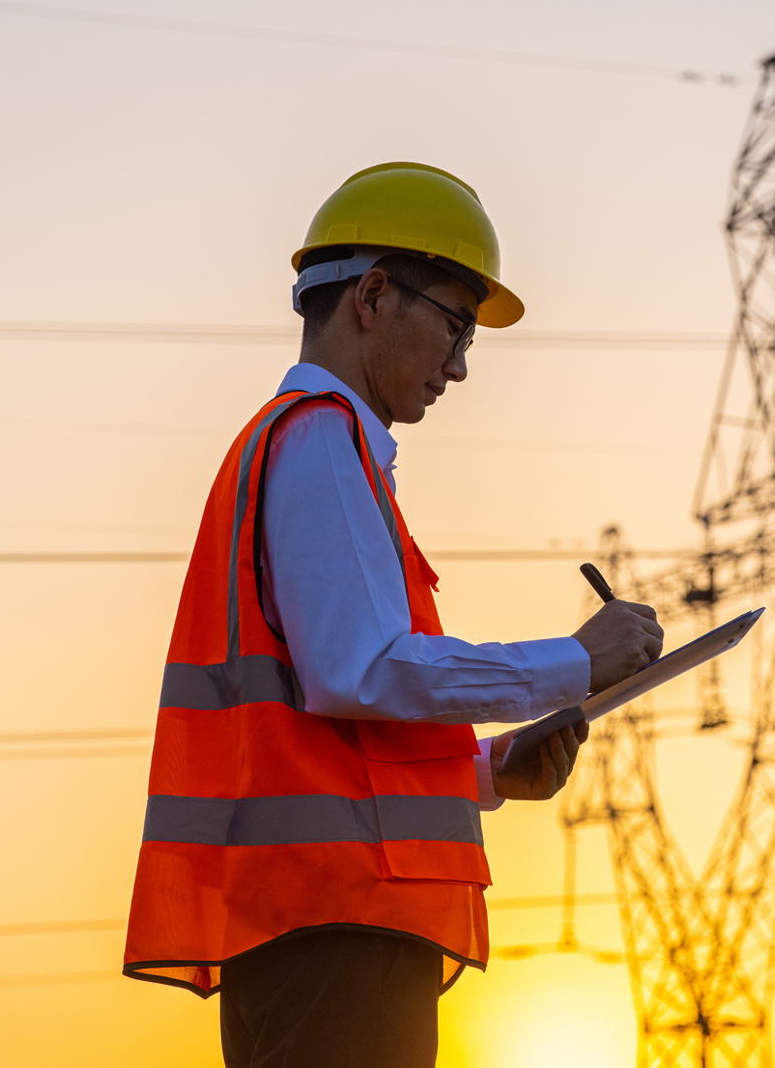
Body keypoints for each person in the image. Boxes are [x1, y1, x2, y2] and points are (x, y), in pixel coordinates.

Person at [122, 162, 664, 1067]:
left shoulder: (296, 448)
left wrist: (487, 772)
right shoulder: (322, 439)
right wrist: (575, 663)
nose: (458, 367)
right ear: (374, 295)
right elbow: (360, 672)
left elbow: (323, 744)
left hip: (308, 932)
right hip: (341, 935)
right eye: (454, 328)